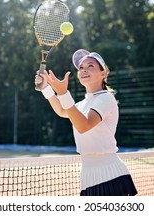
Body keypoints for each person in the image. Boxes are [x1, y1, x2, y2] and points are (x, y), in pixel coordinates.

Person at [35, 49, 138, 196]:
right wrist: (46, 87)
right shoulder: (81, 105)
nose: (84, 70)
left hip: (110, 174)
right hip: (87, 175)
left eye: (90, 66)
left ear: (103, 74)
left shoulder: (106, 98)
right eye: (81, 67)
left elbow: (84, 125)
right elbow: (62, 110)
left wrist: (63, 93)